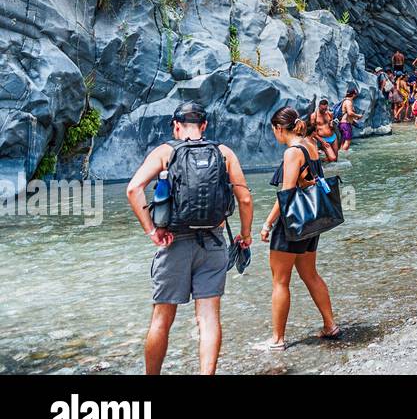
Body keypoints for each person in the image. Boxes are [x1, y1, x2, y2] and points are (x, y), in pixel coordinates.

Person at [125, 101, 254, 374]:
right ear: (204, 126)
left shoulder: (165, 152)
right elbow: (244, 199)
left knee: (162, 319)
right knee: (208, 318)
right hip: (214, 241)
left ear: (176, 126)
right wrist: (245, 235)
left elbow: (133, 190)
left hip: (174, 242)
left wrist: (151, 231)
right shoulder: (224, 152)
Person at [259, 106, 340, 350]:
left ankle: (277, 339)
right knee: (310, 274)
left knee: (280, 281)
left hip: (292, 223)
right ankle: (330, 325)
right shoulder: (310, 146)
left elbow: (287, 191)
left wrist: (267, 223)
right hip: (312, 222)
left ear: (278, 128)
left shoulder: (292, 152)